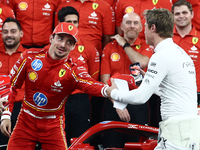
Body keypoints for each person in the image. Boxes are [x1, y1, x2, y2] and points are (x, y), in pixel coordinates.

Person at [0, 22, 110, 149]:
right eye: (60, 38)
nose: (63, 45)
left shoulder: (74, 68)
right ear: (51, 38)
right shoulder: (29, 57)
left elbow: (91, 84)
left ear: (74, 46)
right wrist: (6, 115)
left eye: (69, 42)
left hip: (53, 126)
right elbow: (11, 85)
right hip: (25, 122)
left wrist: (110, 91)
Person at [107, 8, 200, 149]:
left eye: (144, 26)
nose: (143, 31)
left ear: (153, 28)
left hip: (177, 132)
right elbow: (171, 91)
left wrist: (112, 93)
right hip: (185, 129)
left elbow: (140, 97)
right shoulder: (180, 52)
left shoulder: (161, 56)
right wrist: (151, 83)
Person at [100, 12, 153, 148]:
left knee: (136, 146)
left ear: (141, 28)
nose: (132, 26)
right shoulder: (109, 48)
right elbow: (105, 80)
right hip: (113, 103)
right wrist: (118, 104)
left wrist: (124, 45)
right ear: (121, 26)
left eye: (136, 23)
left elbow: (142, 63)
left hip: (138, 103)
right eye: (128, 23)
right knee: (112, 146)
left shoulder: (147, 47)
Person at [57, 6, 100, 146]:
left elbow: (93, 77)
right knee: (59, 140)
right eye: (69, 22)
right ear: (60, 25)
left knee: (80, 141)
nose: (73, 25)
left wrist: (82, 96)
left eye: (75, 22)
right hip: (59, 99)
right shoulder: (52, 47)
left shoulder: (89, 47)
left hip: (81, 100)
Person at [0, 17, 26, 148]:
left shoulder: (29, 56)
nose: (9, 35)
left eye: (13, 31)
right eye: (5, 31)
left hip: (22, 110)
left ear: (21, 33)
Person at [172, 0, 200, 109]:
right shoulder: (165, 37)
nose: (181, 16)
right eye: (177, 14)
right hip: (172, 93)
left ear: (192, 14)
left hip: (196, 93)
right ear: (172, 16)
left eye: (185, 13)